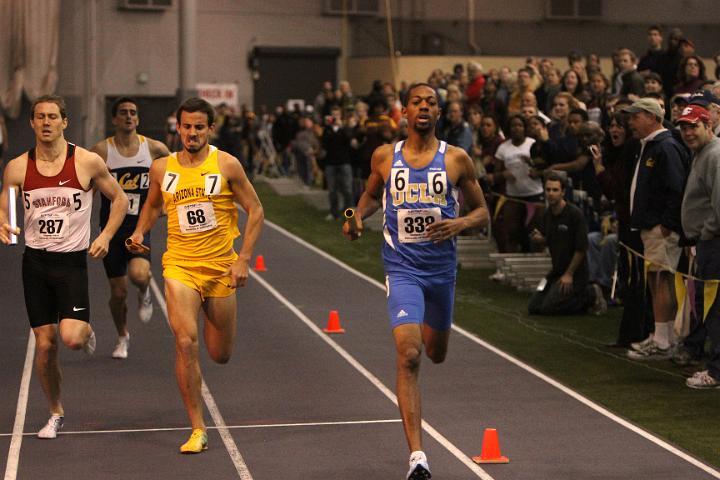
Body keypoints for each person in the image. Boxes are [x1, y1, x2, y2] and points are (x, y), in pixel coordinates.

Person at [343, 83, 488, 479]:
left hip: (441, 271)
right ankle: (418, 457)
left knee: (435, 352)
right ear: (404, 112)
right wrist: (355, 217)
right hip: (401, 267)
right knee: (409, 355)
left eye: (431, 103)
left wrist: (458, 222)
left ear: (439, 112)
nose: (423, 108)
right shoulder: (384, 157)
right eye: (416, 103)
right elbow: (370, 196)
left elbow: (482, 213)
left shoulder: (456, 159)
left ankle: (433, 328)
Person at [127, 97, 264, 452]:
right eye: (186, 126)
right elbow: (154, 205)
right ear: (178, 127)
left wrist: (244, 258)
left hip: (220, 268)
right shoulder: (162, 168)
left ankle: (212, 321)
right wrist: (141, 231)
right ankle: (198, 428)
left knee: (220, 354)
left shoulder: (227, 165)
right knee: (186, 342)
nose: (191, 133)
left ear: (210, 129)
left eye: (199, 127)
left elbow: (256, 209)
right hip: (180, 267)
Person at [0, 95, 128, 438]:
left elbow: (119, 199)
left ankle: (85, 330)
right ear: (31, 123)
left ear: (64, 122)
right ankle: (55, 412)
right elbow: (6, 207)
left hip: (72, 265)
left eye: (52, 117)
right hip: (36, 264)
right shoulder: (16, 167)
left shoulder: (85, 162)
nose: (46, 122)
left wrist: (107, 235)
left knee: (71, 338)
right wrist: (4, 222)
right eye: (40, 117)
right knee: (45, 344)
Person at [89, 97, 170, 359]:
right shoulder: (101, 151)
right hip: (111, 228)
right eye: (122, 112)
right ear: (114, 119)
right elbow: (84, 180)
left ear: (138, 119)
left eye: (133, 112)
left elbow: (175, 172)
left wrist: (166, 200)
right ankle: (123, 335)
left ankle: (145, 291)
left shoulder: (155, 148)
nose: (128, 116)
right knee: (118, 293)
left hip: (139, 225)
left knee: (138, 274)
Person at [623, 98, 690, 360]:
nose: (631, 122)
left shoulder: (666, 146)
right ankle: (661, 334)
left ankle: (664, 341)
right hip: (649, 226)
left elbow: (676, 188)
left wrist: (667, 223)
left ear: (652, 117)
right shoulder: (651, 146)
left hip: (660, 228)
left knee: (662, 278)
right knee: (655, 278)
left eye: (635, 116)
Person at [676, 104, 720, 388]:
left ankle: (717, 371)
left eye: (693, 126)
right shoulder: (702, 154)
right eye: (683, 127)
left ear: (708, 125)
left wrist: (706, 233)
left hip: (714, 244)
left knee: (715, 308)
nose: (688, 132)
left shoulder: (714, 155)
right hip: (707, 243)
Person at [528, 172, 606, 315]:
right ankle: (564, 294)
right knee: (534, 306)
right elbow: (549, 238)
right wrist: (540, 239)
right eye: (548, 190)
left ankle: (590, 294)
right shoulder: (547, 215)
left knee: (549, 309)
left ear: (563, 192)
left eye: (555, 190)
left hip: (575, 274)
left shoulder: (575, 215)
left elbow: (581, 248)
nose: (551, 193)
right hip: (555, 273)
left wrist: (569, 274)